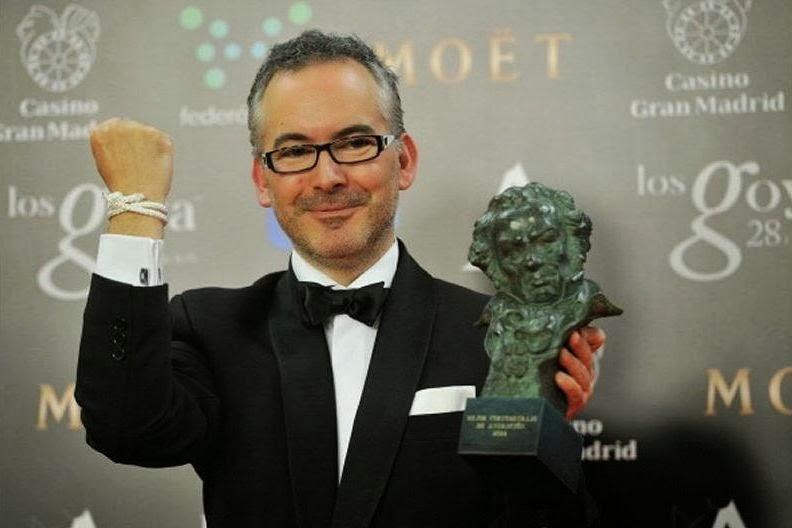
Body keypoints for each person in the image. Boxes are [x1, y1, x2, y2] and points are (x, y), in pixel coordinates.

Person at [77, 30, 605, 527]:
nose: (327, 177)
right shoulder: (210, 329)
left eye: (354, 143)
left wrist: (543, 439)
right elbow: (126, 428)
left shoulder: (491, 335)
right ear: (263, 179)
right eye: (294, 151)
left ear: (404, 161)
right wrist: (136, 209)